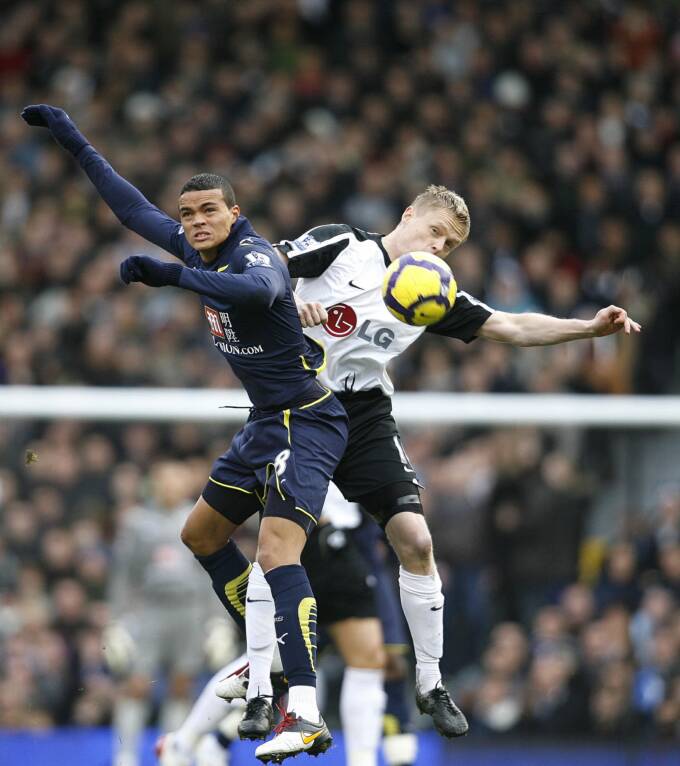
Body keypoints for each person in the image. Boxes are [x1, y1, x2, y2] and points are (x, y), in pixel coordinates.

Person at [227, 184, 641, 742]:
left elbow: (512, 327)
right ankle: (259, 694)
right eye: (435, 232)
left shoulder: (433, 295)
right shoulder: (341, 244)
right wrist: (286, 300)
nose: (439, 247)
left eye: (449, 244)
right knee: (277, 545)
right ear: (407, 216)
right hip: (298, 404)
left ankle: (430, 683)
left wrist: (588, 328)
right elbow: (266, 267)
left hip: (365, 413)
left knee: (417, 541)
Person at [21, 104, 349, 764]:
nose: (195, 222)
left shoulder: (255, 255)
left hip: (309, 422)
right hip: (264, 422)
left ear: (234, 212)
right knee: (199, 535)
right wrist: (73, 138)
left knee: (277, 556)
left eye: (208, 211)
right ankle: (268, 665)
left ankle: (304, 705)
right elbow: (133, 212)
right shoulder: (200, 245)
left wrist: (169, 275)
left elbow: (258, 293)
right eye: (189, 212)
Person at [159, 483, 390, 766]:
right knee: (272, 663)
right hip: (298, 534)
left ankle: (363, 761)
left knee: (367, 659)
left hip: (345, 542)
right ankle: (185, 741)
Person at [104, 461, 221, 766]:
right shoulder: (136, 520)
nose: (171, 488)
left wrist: (217, 620)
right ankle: (126, 754)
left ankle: (172, 751)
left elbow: (209, 571)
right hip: (150, 607)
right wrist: (116, 620)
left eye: (176, 481)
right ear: (153, 485)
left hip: (190, 608)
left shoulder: (197, 517)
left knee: (182, 683)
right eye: (165, 481)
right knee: (137, 682)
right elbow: (123, 574)